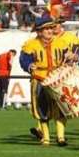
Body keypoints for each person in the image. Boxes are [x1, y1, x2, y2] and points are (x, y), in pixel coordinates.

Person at [19, 17, 68, 146]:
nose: (49, 31)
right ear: (39, 31)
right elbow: (24, 60)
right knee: (42, 108)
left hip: (57, 79)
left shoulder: (61, 42)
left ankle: (61, 137)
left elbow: (69, 55)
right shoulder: (30, 44)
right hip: (40, 78)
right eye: (46, 29)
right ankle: (46, 138)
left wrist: (73, 57)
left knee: (61, 108)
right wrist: (29, 65)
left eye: (51, 28)